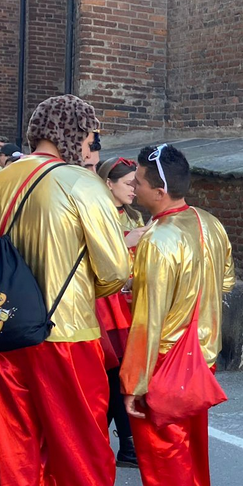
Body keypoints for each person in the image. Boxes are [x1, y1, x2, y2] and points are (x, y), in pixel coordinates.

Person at [0, 94, 178, 486]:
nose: (91, 145)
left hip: (5, 330)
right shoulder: (80, 183)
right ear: (75, 134)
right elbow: (113, 270)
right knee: (81, 441)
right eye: (89, 135)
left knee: (17, 443)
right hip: (67, 334)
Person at [121, 143, 235, 486]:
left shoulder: (157, 237)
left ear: (160, 190)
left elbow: (147, 322)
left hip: (166, 359)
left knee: (165, 455)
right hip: (200, 357)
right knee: (193, 447)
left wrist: (134, 383)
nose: (133, 184)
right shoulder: (210, 223)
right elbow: (225, 283)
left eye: (139, 179)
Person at [95, 157, 147, 467]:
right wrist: (127, 241)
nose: (135, 189)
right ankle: (111, 442)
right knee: (108, 375)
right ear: (108, 184)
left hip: (125, 303)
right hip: (103, 302)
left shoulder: (133, 215)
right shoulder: (98, 215)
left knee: (120, 376)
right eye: (129, 183)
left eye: (137, 183)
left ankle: (124, 444)